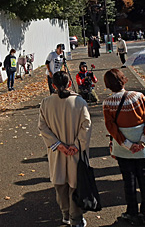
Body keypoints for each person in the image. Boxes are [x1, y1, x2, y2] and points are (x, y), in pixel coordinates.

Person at [38, 71, 92, 227]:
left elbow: (42, 127)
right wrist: (76, 145)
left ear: (53, 85)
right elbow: (86, 126)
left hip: (57, 152)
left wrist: (58, 145)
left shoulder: (46, 103)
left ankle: (65, 214)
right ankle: (76, 218)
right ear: (69, 83)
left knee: (60, 183)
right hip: (76, 151)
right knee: (76, 183)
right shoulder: (79, 102)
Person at [103, 69, 145, 227]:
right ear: (123, 80)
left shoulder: (108, 103)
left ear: (108, 84)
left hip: (123, 147)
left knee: (129, 180)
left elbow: (111, 127)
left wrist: (127, 144)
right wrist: (143, 141)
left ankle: (131, 212)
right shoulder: (138, 97)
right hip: (142, 143)